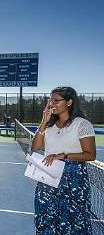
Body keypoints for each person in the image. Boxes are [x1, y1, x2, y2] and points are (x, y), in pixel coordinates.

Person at [31, 86, 96, 235]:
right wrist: (43, 121)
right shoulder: (49, 126)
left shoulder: (81, 124)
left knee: (74, 224)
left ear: (69, 102)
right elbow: (36, 147)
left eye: (56, 100)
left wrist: (63, 155)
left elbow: (90, 154)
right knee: (45, 222)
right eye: (50, 100)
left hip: (73, 182)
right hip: (47, 182)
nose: (51, 104)